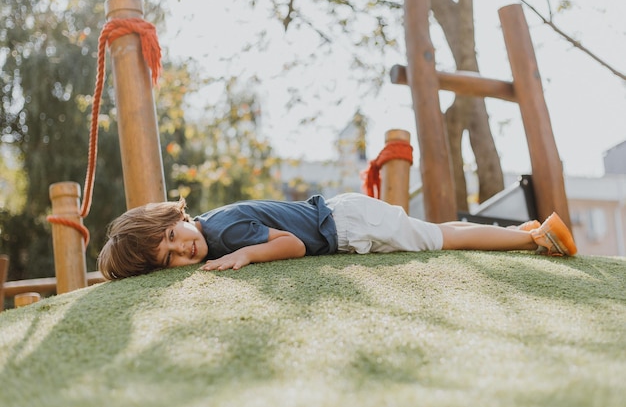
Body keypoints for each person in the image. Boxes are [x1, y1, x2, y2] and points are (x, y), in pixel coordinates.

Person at [97, 193, 577, 280]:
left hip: (345, 225)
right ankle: (523, 230)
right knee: (436, 233)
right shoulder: (212, 228)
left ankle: (533, 241)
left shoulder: (221, 229)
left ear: (175, 216)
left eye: (173, 236)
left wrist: (247, 256)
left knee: (441, 240)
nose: (185, 249)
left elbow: (293, 245)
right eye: (170, 259)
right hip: (345, 218)